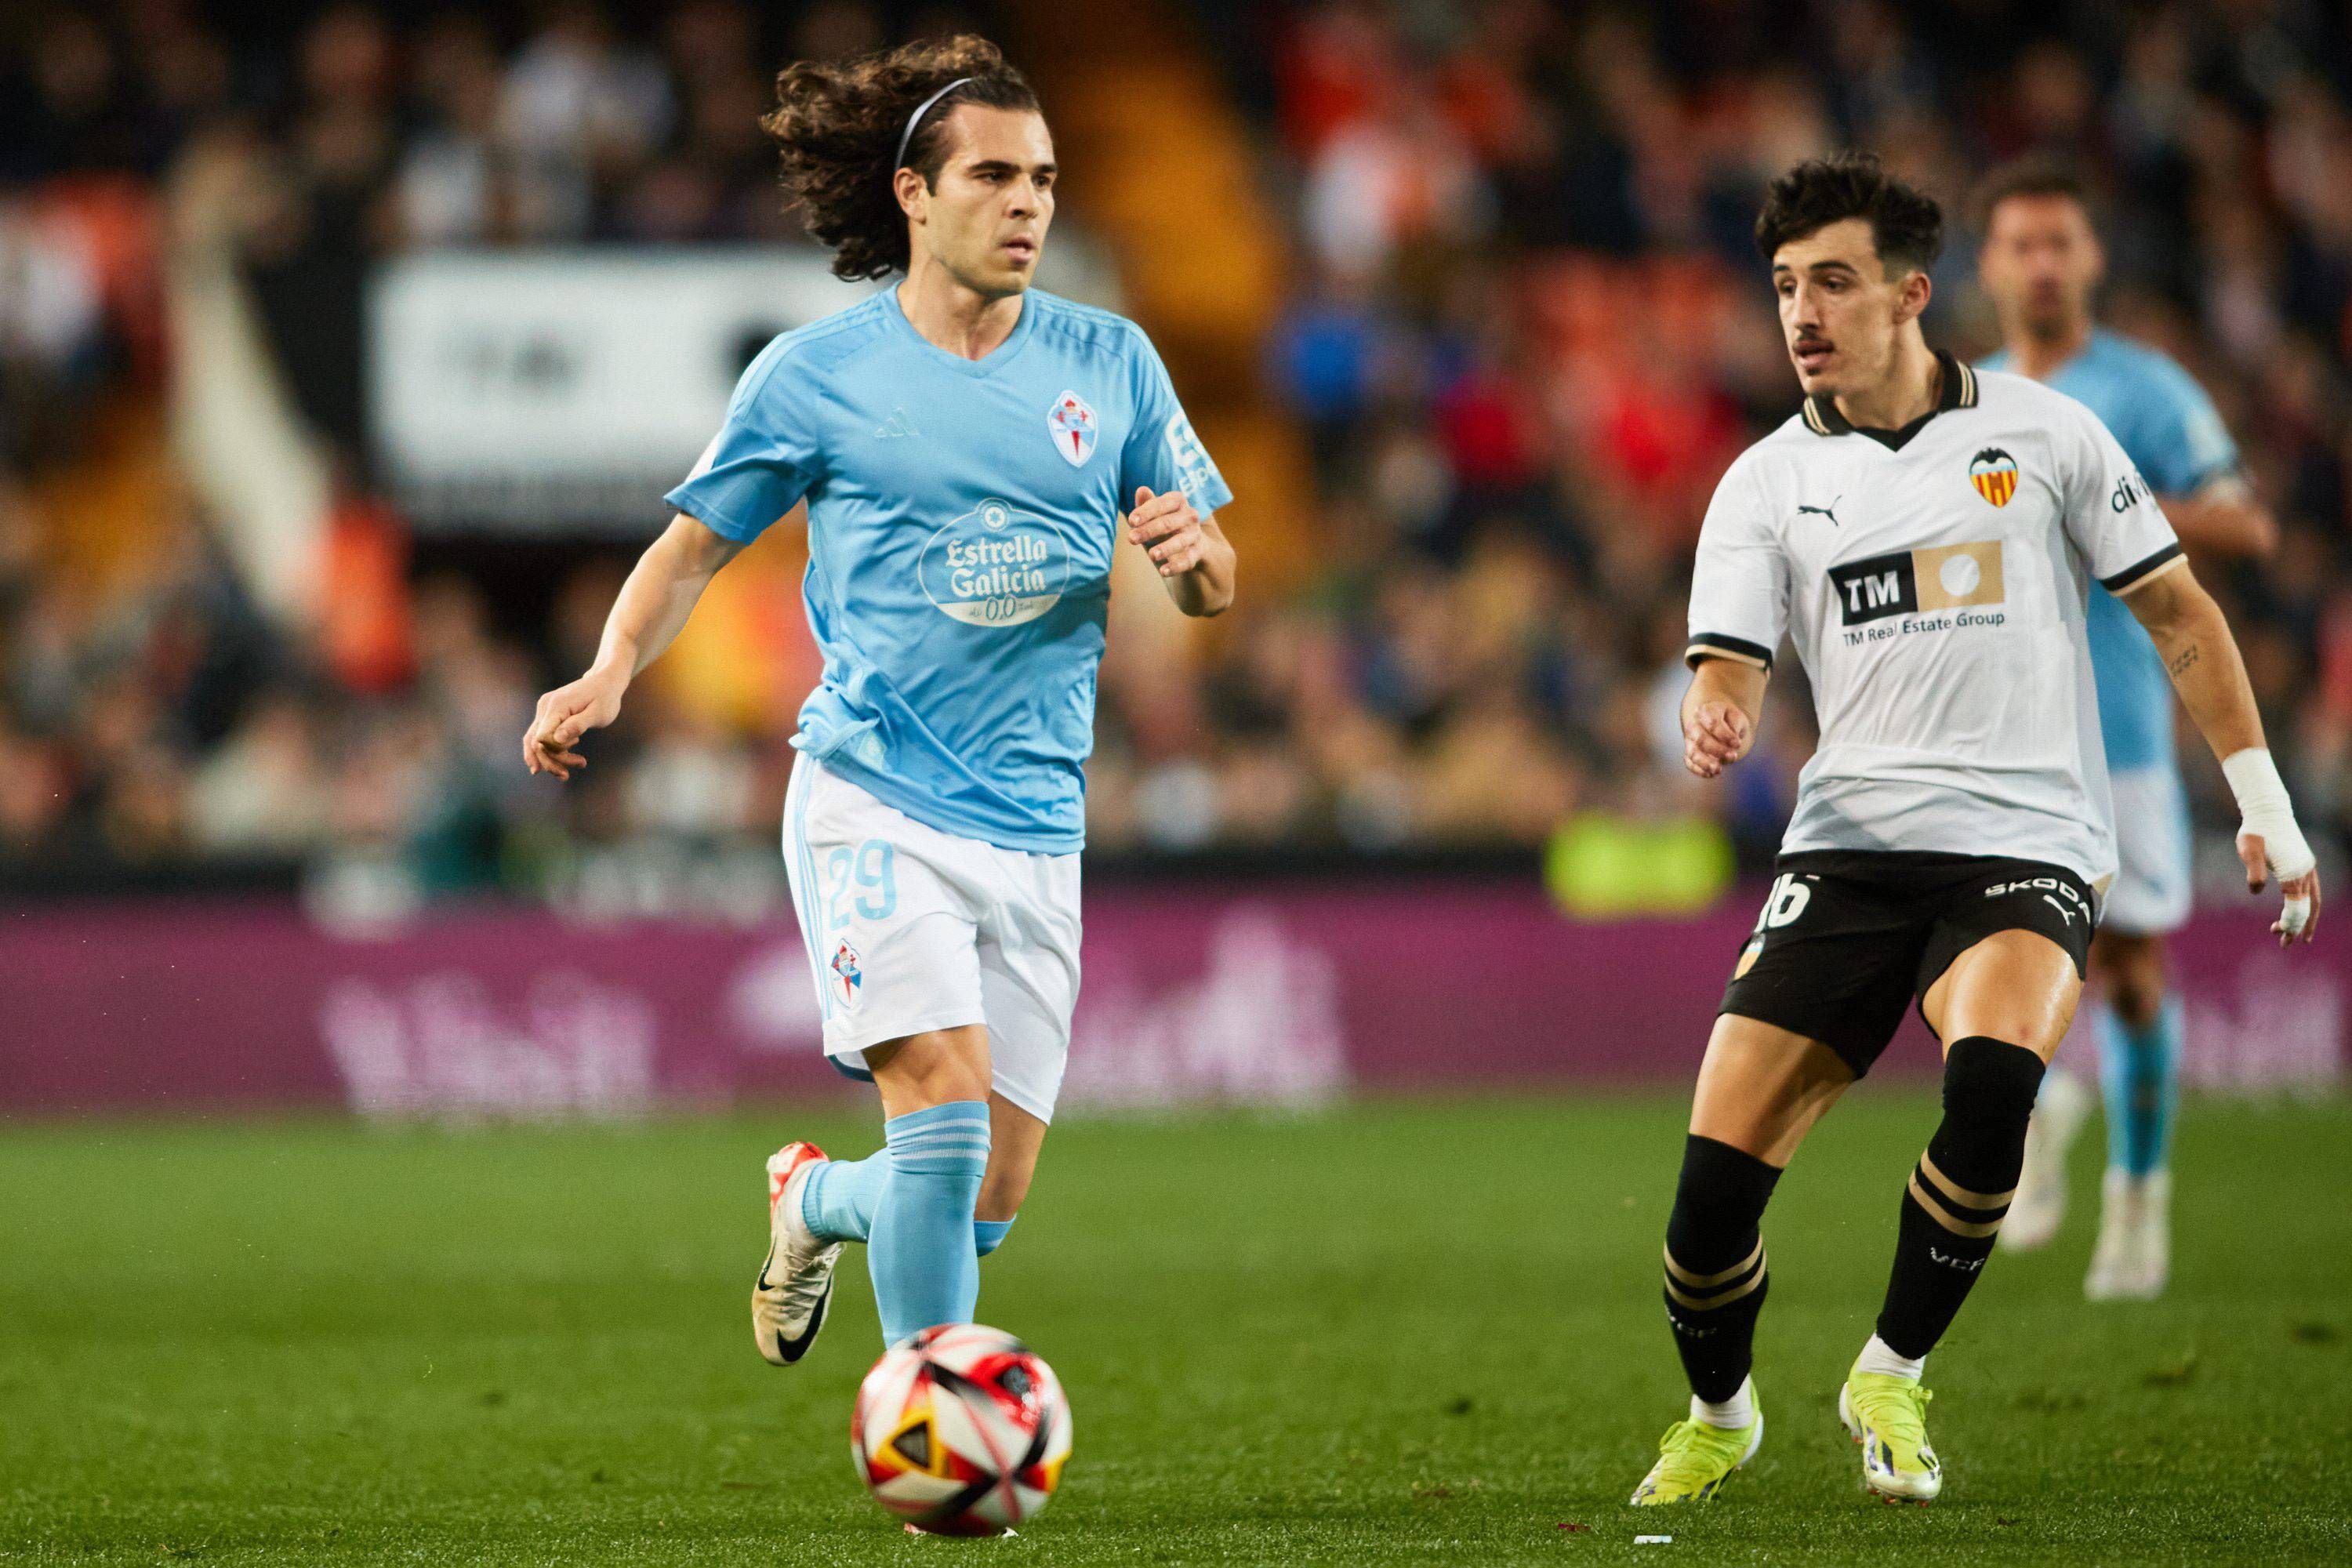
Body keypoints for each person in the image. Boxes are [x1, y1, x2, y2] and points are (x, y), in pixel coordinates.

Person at [521, 36, 1235, 1374]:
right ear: (914, 193)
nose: (1029, 204)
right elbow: (690, 552)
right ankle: (932, 1429)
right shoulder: (816, 375)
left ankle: (811, 1200)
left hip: (1038, 823)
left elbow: (1213, 578)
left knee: (984, 1200)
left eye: (1046, 180)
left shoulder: (1113, 360)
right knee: (943, 1122)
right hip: (874, 796)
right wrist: (611, 667)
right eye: (995, 176)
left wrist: (1199, 570)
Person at [1628, 153, 2319, 1508]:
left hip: (2026, 838)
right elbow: (1727, 665)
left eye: (1831, 281)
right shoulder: (1764, 483)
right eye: (1782, 287)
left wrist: (2267, 810)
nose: (1801, 313)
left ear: (1910, 294)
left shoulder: (2047, 434)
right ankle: (1721, 1411)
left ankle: (1890, 1369)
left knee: (1997, 1080)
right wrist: (1714, 715)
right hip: (1845, 850)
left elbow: (2181, 615)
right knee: (1708, 1210)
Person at [1974, 158, 2277, 1299]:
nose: (2044, 264)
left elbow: (2249, 527)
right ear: (1990, 264)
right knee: (1999, 960)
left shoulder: (2143, 388)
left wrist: (2110, 503)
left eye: (2062, 242)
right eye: (2021, 244)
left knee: (2133, 971)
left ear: (2091, 258)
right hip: (1998, 735)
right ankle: (2044, 1114)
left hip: (2124, 732)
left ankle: (2138, 1201)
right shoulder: (1969, 398)